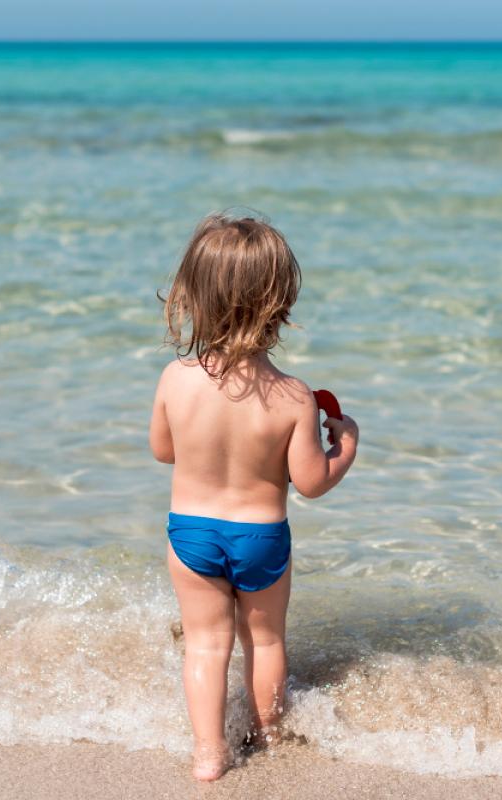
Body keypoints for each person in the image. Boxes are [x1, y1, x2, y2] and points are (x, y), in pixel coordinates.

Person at [148, 211, 360, 781]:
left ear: (192, 295)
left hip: (191, 532)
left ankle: (209, 753)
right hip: (261, 537)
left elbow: (163, 451)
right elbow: (312, 483)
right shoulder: (294, 397)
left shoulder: (175, 379)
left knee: (206, 645)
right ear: (278, 303)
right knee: (264, 642)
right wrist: (347, 444)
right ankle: (268, 736)